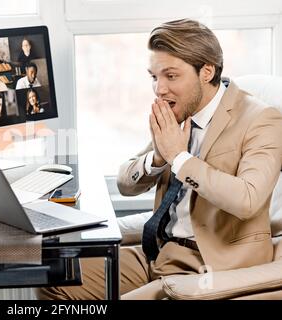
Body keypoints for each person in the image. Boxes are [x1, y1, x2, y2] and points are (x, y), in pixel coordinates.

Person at [36, 19, 282, 300]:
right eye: (154, 77)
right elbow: (126, 184)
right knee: (57, 277)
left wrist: (179, 157)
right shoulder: (180, 112)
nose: (159, 89)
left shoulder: (261, 119)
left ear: (207, 71)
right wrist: (157, 158)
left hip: (211, 266)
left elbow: (248, 200)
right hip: (159, 252)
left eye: (171, 76)